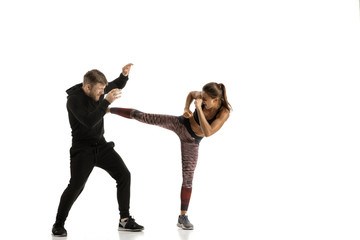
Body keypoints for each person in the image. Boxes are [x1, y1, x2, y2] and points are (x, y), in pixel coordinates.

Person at [109, 82, 231, 230]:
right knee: (143, 116)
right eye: (202, 97)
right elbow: (192, 94)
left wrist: (198, 107)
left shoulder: (223, 112)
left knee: (188, 178)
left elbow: (208, 132)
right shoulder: (203, 95)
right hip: (179, 123)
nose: (202, 100)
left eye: (205, 99)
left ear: (216, 100)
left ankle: (182, 217)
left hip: (192, 141)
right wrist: (186, 108)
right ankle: (109, 109)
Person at [52, 63, 144, 237]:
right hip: (82, 150)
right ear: (88, 87)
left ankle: (124, 220)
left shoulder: (98, 89)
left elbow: (115, 85)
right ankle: (58, 224)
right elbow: (89, 120)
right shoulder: (74, 100)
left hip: (101, 146)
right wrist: (107, 102)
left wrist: (123, 76)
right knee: (76, 186)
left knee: (124, 175)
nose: (103, 92)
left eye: (103, 89)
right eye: (100, 90)